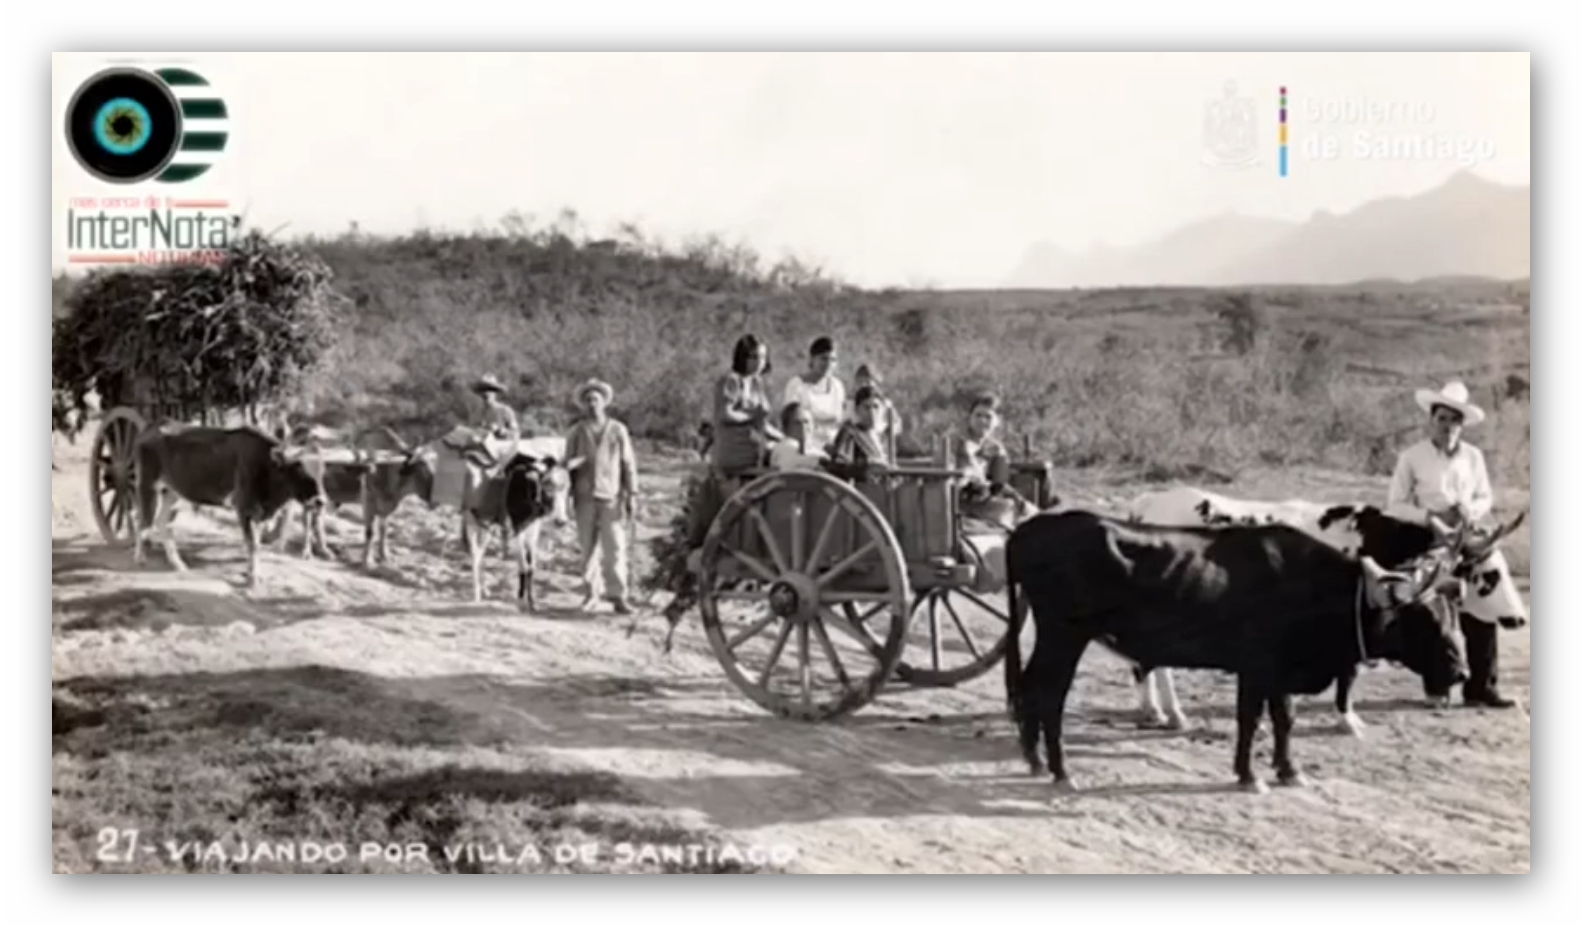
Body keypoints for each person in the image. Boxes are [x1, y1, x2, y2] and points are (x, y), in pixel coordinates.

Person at [1386, 380, 1524, 710]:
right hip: (1427, 538)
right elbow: (1395, 505)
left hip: (1468, 535)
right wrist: (1430, 517)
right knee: (1434, 614)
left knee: (1483, 608)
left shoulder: (1473, 457)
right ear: (1431, 420)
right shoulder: (1412, 457)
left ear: (1462, 425)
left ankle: (1481, 687)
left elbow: (1484, 496)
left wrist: (1468, 510)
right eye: (1442, 419)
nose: (1448, 426)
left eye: (1454, 421)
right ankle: (1440, 686)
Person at [565, 379, 638, 614]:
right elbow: (565, 466)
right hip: (584, 497)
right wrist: (573, 469)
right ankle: (591, 593)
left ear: (604, 402)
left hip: (611, 496)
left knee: (615, 547)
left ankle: (618, 596)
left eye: (595, 399)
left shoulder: (617, 430)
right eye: (587, 400)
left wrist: (632, 493)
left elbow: (628, 463)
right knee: (587, 548)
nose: (592, 404)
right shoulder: (577, 431)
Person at [781, 336, 846, 452]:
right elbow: (791, 425)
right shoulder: (796, 385)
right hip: (805, 447)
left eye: (832, 360)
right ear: (812, 359)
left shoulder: (837, 386)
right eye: (824, 359)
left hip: (834, 447)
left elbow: (839, 422)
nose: (828, 364)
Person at [826, 384, 890, 480]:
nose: (872, 412)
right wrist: (866, 465)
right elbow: (837, 467)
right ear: (857, 409)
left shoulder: (881, 436)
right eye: (866, 407)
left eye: (876, 407)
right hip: (856, 486)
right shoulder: (849, 433)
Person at [848, 364, 903, 449]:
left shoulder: (885, 403)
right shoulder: (850, 403)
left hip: (880, 444)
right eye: (860, 382)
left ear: (875, 383)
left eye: (867, 382)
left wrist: (888, 431)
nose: (863, 385)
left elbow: (897, 424)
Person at [770, 402, 826, 470]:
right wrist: (821, 461)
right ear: (786, 428)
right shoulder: (783, 446)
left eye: (806, 422)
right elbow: (790, 461)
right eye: (797, 423)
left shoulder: (819, 452)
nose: (803, 427)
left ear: (813, 426)